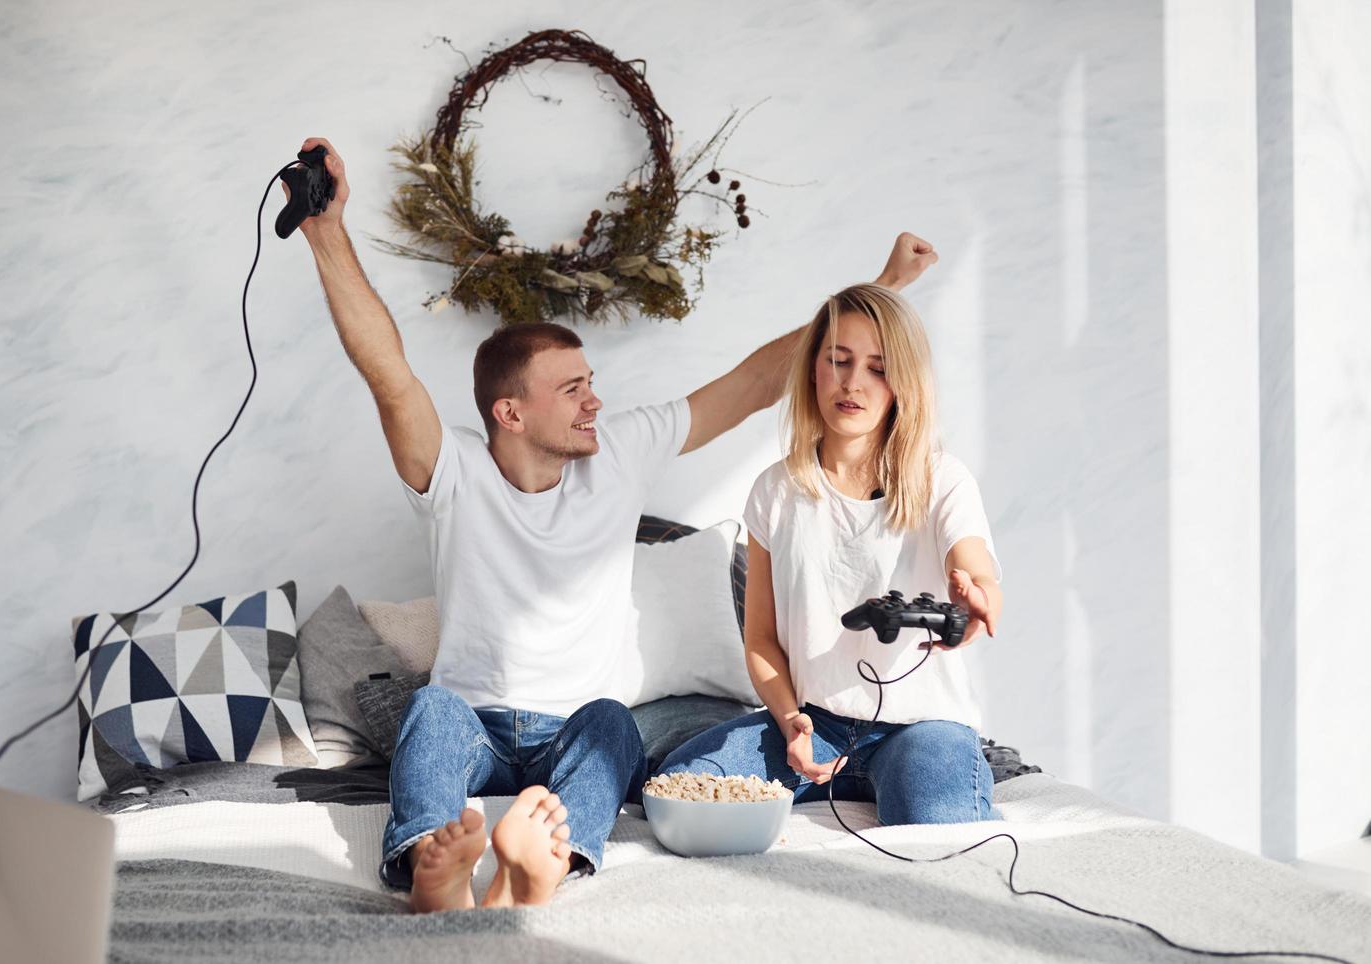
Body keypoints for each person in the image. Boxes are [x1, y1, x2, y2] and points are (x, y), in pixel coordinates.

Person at [288, 136, 939, 911]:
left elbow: (757, 382)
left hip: (576, 732)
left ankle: (544, 870)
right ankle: (432, 862)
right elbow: (388, 373)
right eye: (572, 390)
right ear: (511, 412)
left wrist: (882, 291)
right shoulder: (453, 471)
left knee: (614, 725)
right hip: (476, 731)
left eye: (592, 383)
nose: (595, 401)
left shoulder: (618, 452)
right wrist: (326, 232)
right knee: (430, 707)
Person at [657, 281, 1004, 827]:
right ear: (814, 368)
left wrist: (975, 602)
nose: (852, 383)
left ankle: (951, 775)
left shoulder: (943, 480)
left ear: (903, 382)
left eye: (877, 368)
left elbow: (978, 578)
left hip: (923, 726)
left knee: (940, 828)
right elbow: (762, 640)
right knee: (678, 790)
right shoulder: (775, 492)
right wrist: (791, 719)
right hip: (815, 724)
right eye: (838, 360)